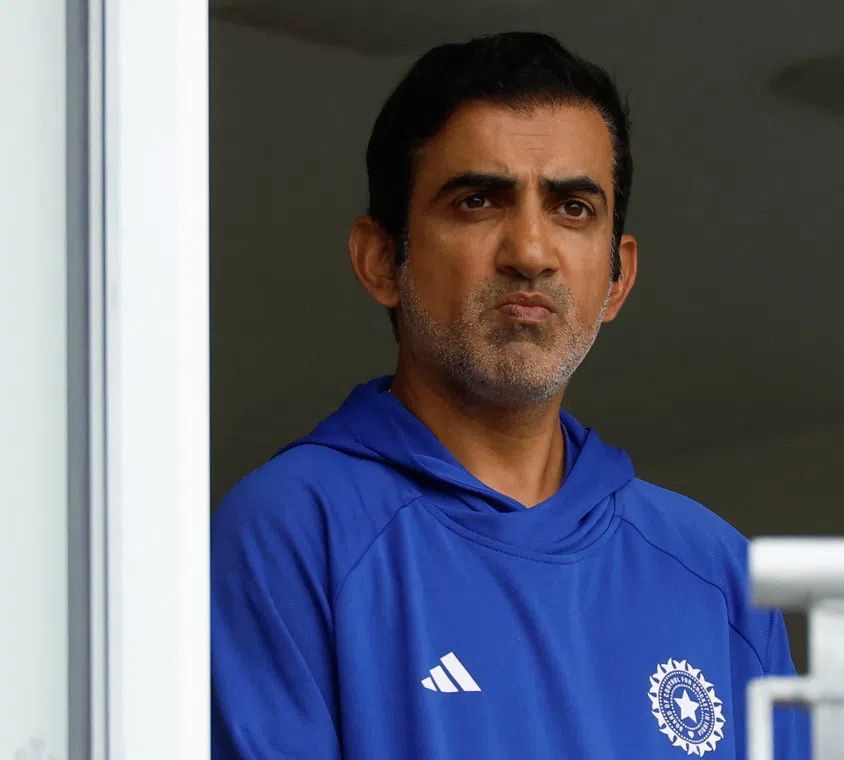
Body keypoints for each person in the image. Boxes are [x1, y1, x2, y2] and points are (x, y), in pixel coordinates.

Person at [211, 31, 809, 759]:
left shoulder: (717, 575)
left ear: (617, 278)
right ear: (379, 261)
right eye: (477, 201)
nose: (530, 250)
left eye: (572, 209)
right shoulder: (291, 532)